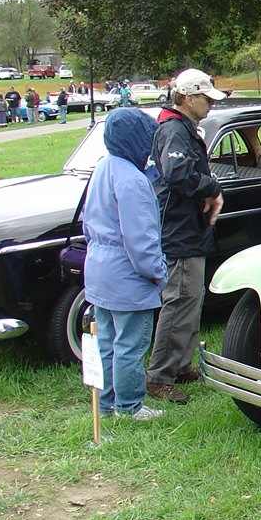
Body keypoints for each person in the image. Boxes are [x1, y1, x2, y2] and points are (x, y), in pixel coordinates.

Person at [146, 68, 226, 405]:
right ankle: (159, 375)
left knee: (191, 298)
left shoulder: (183, 128)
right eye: (206, 98)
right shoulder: (174, 130)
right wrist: (212, 188)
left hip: (190, 227)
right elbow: (178, 174)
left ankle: (180, 365)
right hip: (178, 229)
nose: (210, 104)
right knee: (178, 300)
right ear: (188, 98)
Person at [82, 108, 168, 421]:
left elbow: (87, 223)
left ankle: (104, 406)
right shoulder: (133, 181)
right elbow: (141, 239)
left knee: (106, 341)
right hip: (128, 275)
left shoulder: (103, 167)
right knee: (130, 344)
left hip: (99, 270)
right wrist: (158, 272)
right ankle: (130, 407)